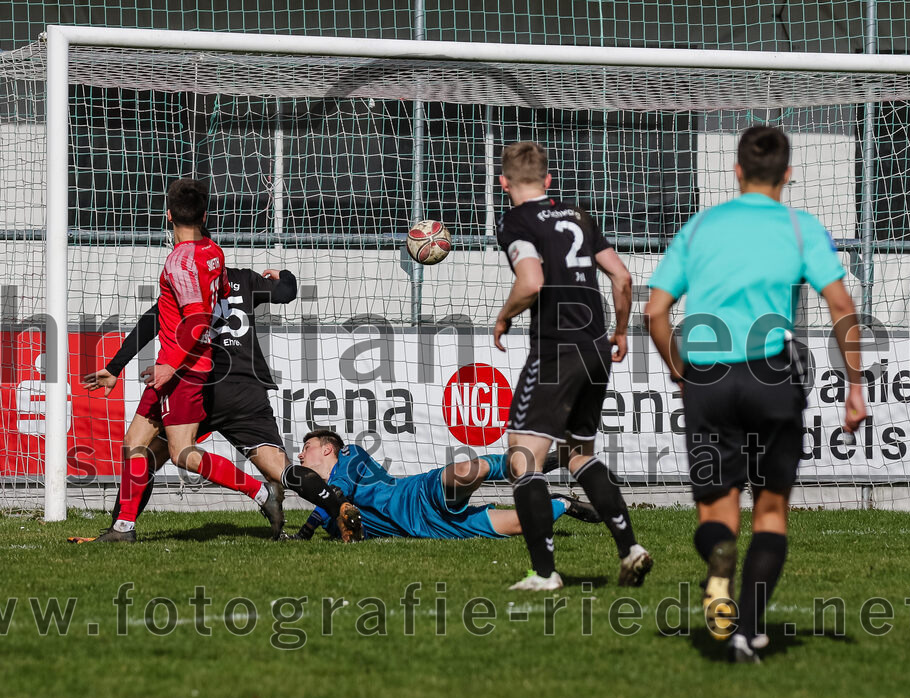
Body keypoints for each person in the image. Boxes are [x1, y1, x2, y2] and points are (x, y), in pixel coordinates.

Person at [645, 126, 866, 662]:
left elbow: (654, 311)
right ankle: (746, 629)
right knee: (770, 513)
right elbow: (841, 306)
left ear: (737, 171)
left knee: (717, 513)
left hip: (708, 378)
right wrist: (855, 384)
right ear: (787, 174)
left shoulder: (701, 226)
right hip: (771, 376)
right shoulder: (799, 227)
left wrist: (680, 371)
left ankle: (720, 565)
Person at [84, 179, 362, 543]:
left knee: (157, 453)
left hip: (199, 378)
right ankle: (336, 503)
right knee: (280, 469)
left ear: (169, 216)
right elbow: (286, 292)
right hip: (244, 389)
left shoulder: (181, 271)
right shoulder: (235, 273)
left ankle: (124, 524)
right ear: (205, 218)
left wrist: (121, 365)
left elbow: (162, 321)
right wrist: (285, 276)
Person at [493, 141, 652, 591]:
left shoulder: (516, 221)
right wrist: (621, 331)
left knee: (524, 459)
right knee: (578, 453)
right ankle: (630, 548)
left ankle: (545, 574)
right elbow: (622, 276)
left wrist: (504, 317)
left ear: (503, 183)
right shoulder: (579, 215)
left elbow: (531, 281)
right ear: (548, 180)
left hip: (556, 351)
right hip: (596, 345)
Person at [287, 430, 602, 540]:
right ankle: (563, 502)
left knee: (467, 470)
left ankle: (530, 464)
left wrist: (312, 524)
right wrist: (304, 533)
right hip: (431, 529)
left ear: (327, 449)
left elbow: (338, 490)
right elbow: (328, 511)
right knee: (523, 524)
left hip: (417, 495)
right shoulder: (328, 510)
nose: (301, 454)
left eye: (307, 447)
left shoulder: (350, 454)